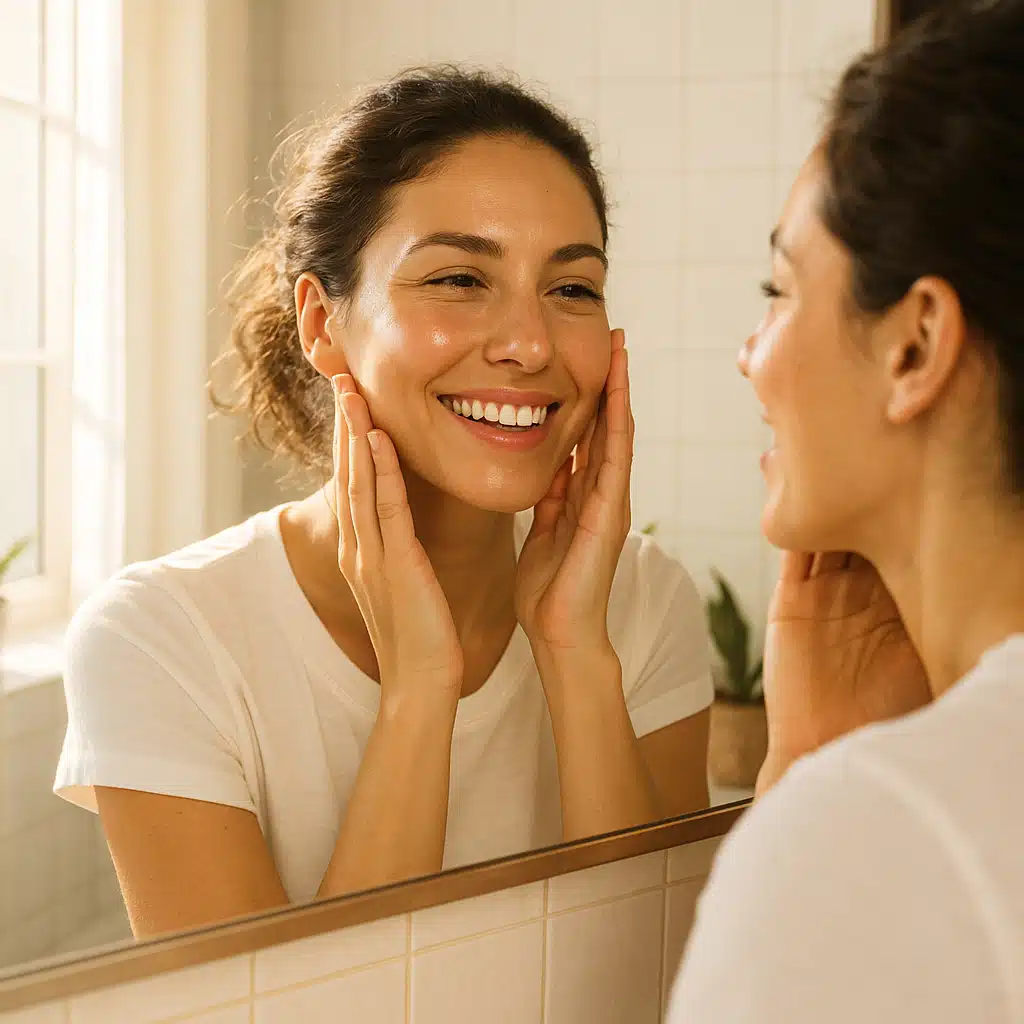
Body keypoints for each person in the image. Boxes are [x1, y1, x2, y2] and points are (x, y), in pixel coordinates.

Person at [54, 67, 714, 939]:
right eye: (456, 280)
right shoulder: (163, 639)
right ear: (323, 324)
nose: (527, 344)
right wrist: (419, 693)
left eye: (572, 289)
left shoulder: (644, 604)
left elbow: (664, 988)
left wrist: (576, 658)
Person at [667, 2, 1024, 1020]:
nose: (751, 352)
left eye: (778, 288)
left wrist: (813, 789)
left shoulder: (882, 834)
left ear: (914, 346)